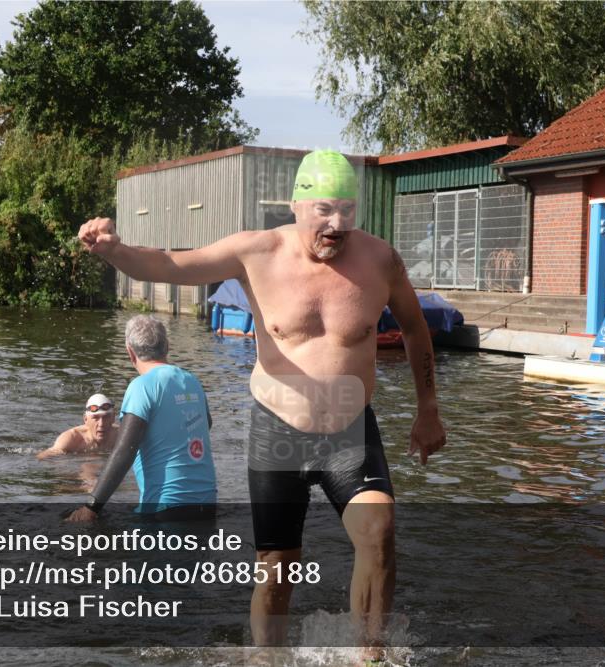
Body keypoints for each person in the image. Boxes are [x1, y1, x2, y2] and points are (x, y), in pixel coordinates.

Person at [79, 149, 446, 656]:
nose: (337, 224)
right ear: (296, 206)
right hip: (280, 432)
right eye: (324, 210)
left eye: (346, 210)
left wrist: (428, 409)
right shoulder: (256, 252)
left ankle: (372, 654)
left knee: (379, 534)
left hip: (349, 431)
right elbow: (168, 264)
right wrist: (113, 251)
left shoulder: (380, 259)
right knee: (278, 568)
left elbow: (413, 327)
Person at [66, 316, 216, 522]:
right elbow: (205, 424)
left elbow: (124, 452)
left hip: (165, 506)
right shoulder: (191, 380)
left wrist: (92, 507)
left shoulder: (142, 386)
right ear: (167, 346)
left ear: (130, 351)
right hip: (207, 504)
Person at [37, 393, 119, 459]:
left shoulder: (121, 435)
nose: (101, 424)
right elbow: (42, 457)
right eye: (96, 418)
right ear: (86, 419)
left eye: (106, 417)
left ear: (113, 418)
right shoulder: (72, 438)